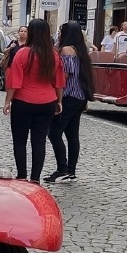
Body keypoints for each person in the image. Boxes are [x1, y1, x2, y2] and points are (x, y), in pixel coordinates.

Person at [3, 18, 65, 184]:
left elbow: (14, 81)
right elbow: (59, 82)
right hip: (47, 101)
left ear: (30, 33)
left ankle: (22, 175)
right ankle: (35, 178)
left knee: (20, 140)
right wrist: (59, 101)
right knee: (39, 140)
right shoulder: (54, 55)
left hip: (23, 101)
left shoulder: (23, 53)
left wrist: (8, 101)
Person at [45, 22, 95, 184]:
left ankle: (62, 169)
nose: (59, 34)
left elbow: (64, 75)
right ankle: (71, 170)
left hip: (68, 96)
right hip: (80, 96)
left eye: (61, 31)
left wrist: (56, 97)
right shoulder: (82, 51)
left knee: (54, 133)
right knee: (72, 135)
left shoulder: (66, 50)